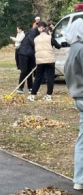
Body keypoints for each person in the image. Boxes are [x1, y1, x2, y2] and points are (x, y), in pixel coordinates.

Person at [63, 18, 83, 191]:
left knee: (82, 141)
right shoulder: (82, 49)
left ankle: (79, 179)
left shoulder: (73, 49)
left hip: (78, 97)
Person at [27, 22, 61, 102]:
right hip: (50, 60)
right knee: (50, 78)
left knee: (38, 78)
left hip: (40, 61)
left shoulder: (36, 39)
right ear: (47, 31)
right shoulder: (49, 38)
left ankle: (33, 95)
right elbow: (58, 46)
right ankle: (48, 95)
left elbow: (35, 48)